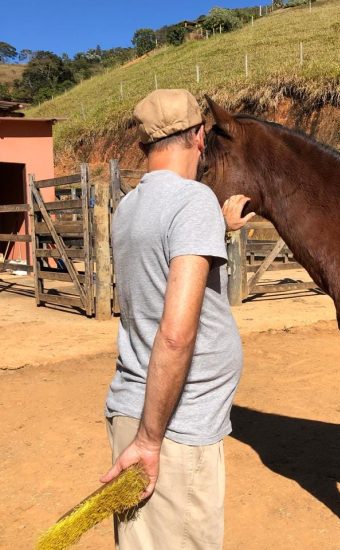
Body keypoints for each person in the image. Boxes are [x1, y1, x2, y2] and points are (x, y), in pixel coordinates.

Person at [101, 89, 255, 550]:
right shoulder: (193, 201)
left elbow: (158, 272)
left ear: (146, 144)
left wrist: (216, 232)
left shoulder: (127, 208)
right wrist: (151, 441)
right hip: (173, 427)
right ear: (199, 136)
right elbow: (175, 335)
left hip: (132, 404)